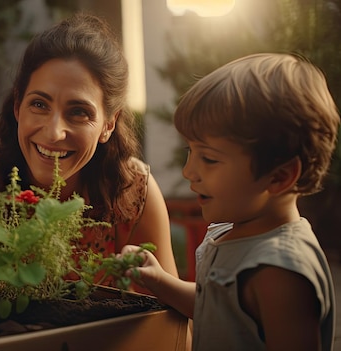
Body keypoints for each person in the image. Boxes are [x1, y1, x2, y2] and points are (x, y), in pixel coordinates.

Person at [0, 13, 179, 292]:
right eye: (39, 105)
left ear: (108, 124)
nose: (54, 132)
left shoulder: (132, 190)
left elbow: (170, 321)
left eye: (78, 112)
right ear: (18, 105)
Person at [122, 53, 339, 350]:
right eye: (190, 152)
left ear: (280, 177)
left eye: (209, 158)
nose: (189, 171)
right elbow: (214, 307)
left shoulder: (280, 272)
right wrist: (159, 281)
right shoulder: (235, 232)